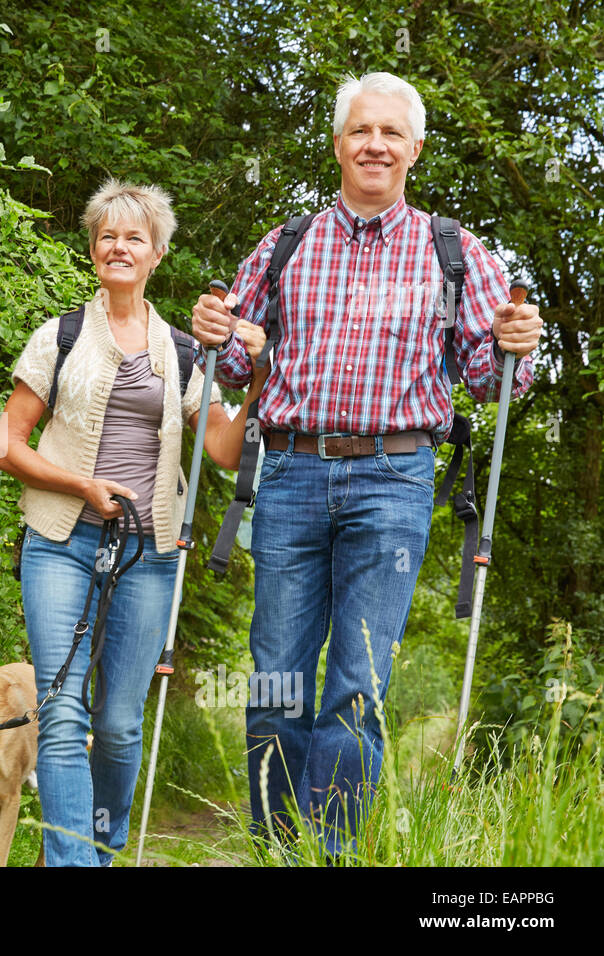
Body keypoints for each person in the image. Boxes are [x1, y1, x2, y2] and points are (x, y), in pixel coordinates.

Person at [190, 72, 544, 857]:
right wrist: (211, 330)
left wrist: (519, 344)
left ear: (414, 149)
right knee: (277, 674)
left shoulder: (457, 253)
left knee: (358, 681)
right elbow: (233, 369)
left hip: (395, 478)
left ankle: (333, 850)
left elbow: (489, 378)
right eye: (360, 131)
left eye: (390, 133)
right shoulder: (284, 244)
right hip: (288, 475)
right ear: (340, 143)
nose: (374, 145)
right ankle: (275, 845)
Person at [0, 178, 267, 866]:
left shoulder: (183, 354)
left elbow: (226, 450)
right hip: (59, 542)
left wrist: (258, 374)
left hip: (151, 552)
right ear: (92, 252)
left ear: (156, 255)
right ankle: (73, 861)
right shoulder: (59, 336)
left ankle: (104, 847)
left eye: (134, 237)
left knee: (116, 724)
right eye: (107, 236)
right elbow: (8, 445)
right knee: (61, 712)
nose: (119, 246)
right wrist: (82, 484)